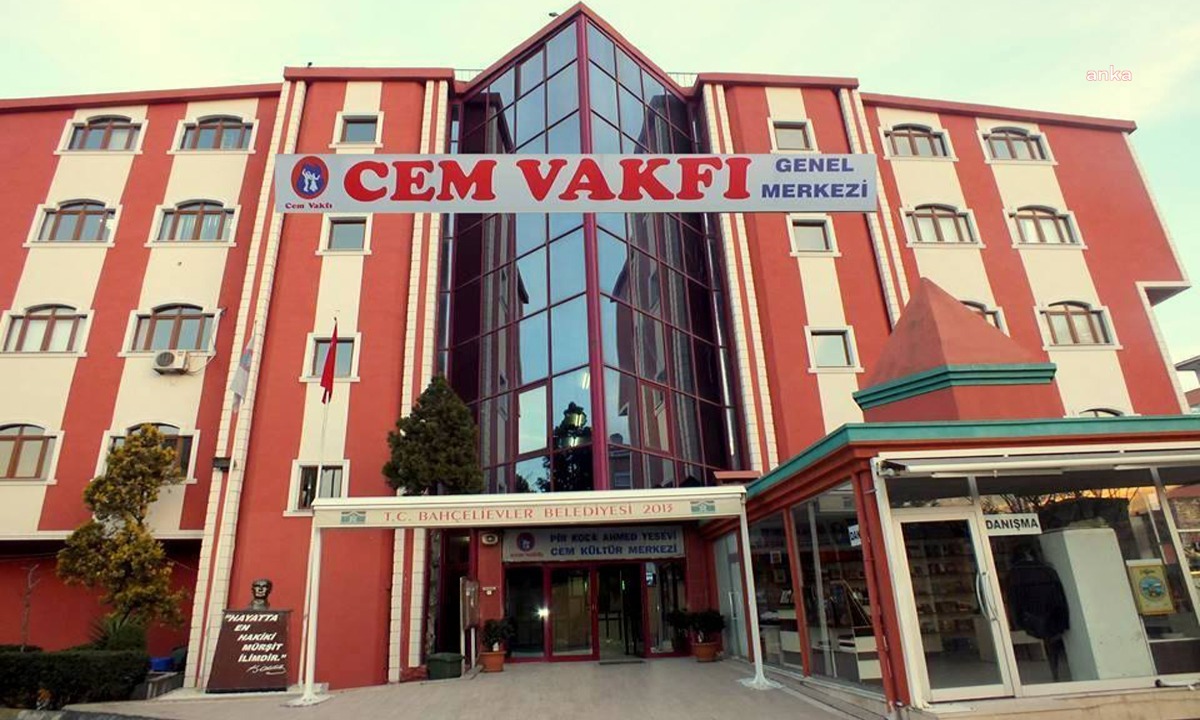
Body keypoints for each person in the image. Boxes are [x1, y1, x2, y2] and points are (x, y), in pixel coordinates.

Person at [1004, 545, 1069, 680]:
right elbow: (1059, 594)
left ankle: (1055, 674)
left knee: (1047, 642)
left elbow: (1014, 599)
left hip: (1030, 613)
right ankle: (1055, 674)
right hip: (1051, 612)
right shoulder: (1047, 570)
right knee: (1052, 643)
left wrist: (1016, 621)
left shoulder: (1015, 573)